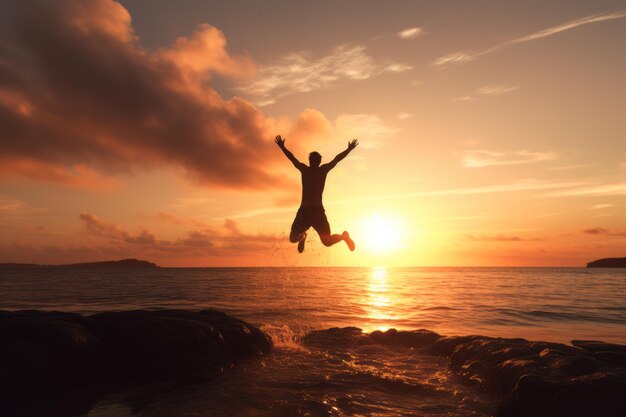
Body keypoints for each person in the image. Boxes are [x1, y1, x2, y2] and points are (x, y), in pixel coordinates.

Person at [274, 135, 358, 253]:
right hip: (309, 211)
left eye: (316, 161)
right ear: (310, 161)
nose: (314, 162)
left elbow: (337, 159)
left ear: (318, 161)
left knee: (326, 242)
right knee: (293, 238)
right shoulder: (310, 170)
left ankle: (344, 237)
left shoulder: (314, 170)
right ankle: (303, 236)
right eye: (313, 160)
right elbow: (292, 158)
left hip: (311, 211)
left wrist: (348, 150)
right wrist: (282, 147)